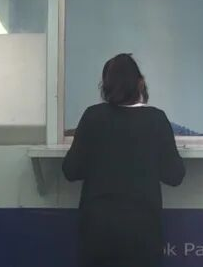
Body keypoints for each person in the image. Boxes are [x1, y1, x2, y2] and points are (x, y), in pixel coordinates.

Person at [63, 53, 186, 267]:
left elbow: (71, 171)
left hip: (97, 230)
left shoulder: (93, 116)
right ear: (140, 83)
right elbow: (175, 176)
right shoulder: (156, 119)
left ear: (105, 87)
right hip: (142, 230)